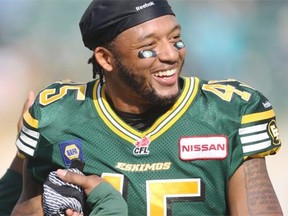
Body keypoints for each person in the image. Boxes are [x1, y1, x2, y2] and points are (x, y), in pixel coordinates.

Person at [6, 0, 284, 215]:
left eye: (176, 39)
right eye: (149, 47)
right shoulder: (57, 116)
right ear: (105, 58)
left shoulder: (227, 112)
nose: (170, 54)